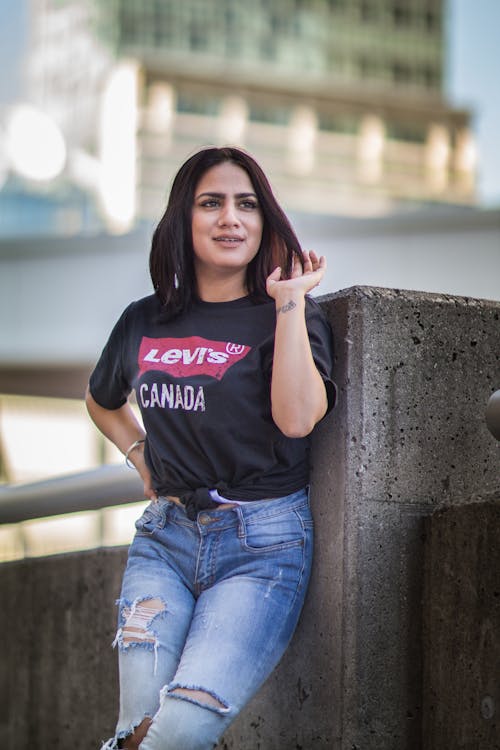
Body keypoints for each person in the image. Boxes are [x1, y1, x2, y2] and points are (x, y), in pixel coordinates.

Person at [86, 145, 336, 750]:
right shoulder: (143, 321)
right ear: (183, 219)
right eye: (212, 203)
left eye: (247, 204)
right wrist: (140, 454)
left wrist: (289, 303)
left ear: (264, 220)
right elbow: (101, 399)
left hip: (262, 547)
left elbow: (298, 419)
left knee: (179, 731)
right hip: (165, 541)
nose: (231, 218)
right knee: (138, 728)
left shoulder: (287, 316)